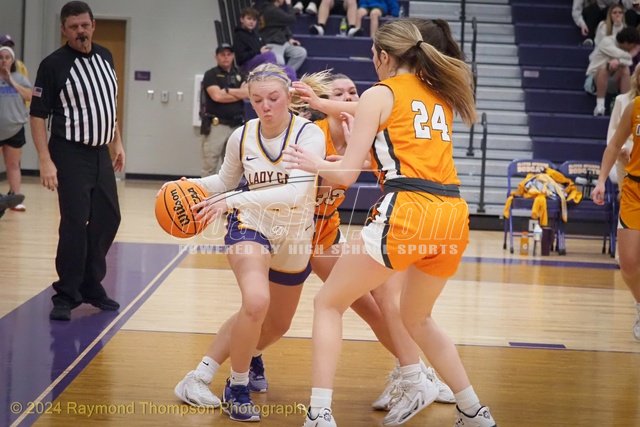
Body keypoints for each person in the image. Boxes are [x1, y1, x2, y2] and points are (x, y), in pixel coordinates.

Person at [285, 19, 497, 426]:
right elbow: (395, 141)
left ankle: (319, 413)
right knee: (418, 318)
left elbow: (346, 174)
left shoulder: (381, 93)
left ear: (384, 56)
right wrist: (328, 107)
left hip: (409, 211)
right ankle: (473, 410)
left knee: (328, 303)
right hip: (452, 214)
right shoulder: (439, 93)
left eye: (373, 55)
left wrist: (314, 163)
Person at [171, 63, 326, 422]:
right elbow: (225, 182)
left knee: (278, 324)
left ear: (288, 97)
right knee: (256, 302)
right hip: (250, 226)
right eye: (257, 100)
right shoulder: (242, 136)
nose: (265, 106)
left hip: (295, 234)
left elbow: (295, 193)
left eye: (273, 98)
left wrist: (232, 199)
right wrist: (187, 186)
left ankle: (249, 353)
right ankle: (234, 386)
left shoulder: (309, 135)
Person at [29, 1, 124, 321]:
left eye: (85, 25)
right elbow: (38, 115)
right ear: (63, 30)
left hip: (100, 152)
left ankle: (91, 284)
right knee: (75, 221)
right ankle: (67, 293)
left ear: (93, 25)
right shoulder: (53, 65)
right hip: (69, 153)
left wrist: (117, 142)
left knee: (109, 218)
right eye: (73, 27)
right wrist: (45, 160)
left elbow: (108, 105)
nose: (80, 31)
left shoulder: (106, 56)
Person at [593, 94, 640, 342]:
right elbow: (613, 145)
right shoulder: (634, 107)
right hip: (635, 190)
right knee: (629, 263)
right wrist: (601, 180)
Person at [200, 43, 247, 177]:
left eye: (229, 54)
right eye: (222, 54)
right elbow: (217, 96)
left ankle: (229, 191)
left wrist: (227, 91)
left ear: (233, 56)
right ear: (216, 57)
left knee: (234, 166)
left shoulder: (241, 74)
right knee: (210, 165)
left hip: (236, 125)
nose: (226, 57)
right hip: (217, 125)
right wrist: (238, 93)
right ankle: (207, 191)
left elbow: (248, 93)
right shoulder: (211, 74)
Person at [0, 45, 31, 212]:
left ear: (12, 60)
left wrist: (10, 80)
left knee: (13, 164)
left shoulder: (19, 78)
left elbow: (29, 96)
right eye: (1, 57)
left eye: (7, 57)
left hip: (14, 127)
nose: (4, 60)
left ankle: (16, 197)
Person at [584, 27, 640, 116]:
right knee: (606, 67)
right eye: (632, 46)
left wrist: (619, 61)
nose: (633, 48)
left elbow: (628, 62)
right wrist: (632, 54)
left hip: (613, 80)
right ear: (626, 43)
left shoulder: (625, 50)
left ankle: (624, 106)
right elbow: (622, 56)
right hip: (594, 80)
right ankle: (600, 106)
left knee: (625, 69)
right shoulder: (607, 42)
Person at [233, 7, 297, 82]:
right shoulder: (238, 35)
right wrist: (259, 51)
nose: (251, 22)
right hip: (246, 67)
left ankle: (293, 88)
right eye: (249, 19)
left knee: (290, 70)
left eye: (254, 20)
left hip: (262, 64)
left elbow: (262, 47)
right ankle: (273, 78)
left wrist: (264, 49)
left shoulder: (256, 34)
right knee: (269, 55)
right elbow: (240, 59)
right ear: (242, 19)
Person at [606, 64, 639, 191]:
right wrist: (623, 148)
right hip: (625, 155)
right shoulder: (622, 100)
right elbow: (613, 131)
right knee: (626, 195)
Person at [259, 0, 308, 73]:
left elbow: (284, 26)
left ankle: (287, 74)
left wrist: (290, 38)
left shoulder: (276, 9)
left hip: (284, 42)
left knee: (301, 52)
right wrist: (289, 4)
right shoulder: (271, 9)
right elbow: (291, 19)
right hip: (273, 43)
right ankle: (283, 76)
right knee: (280, 63)